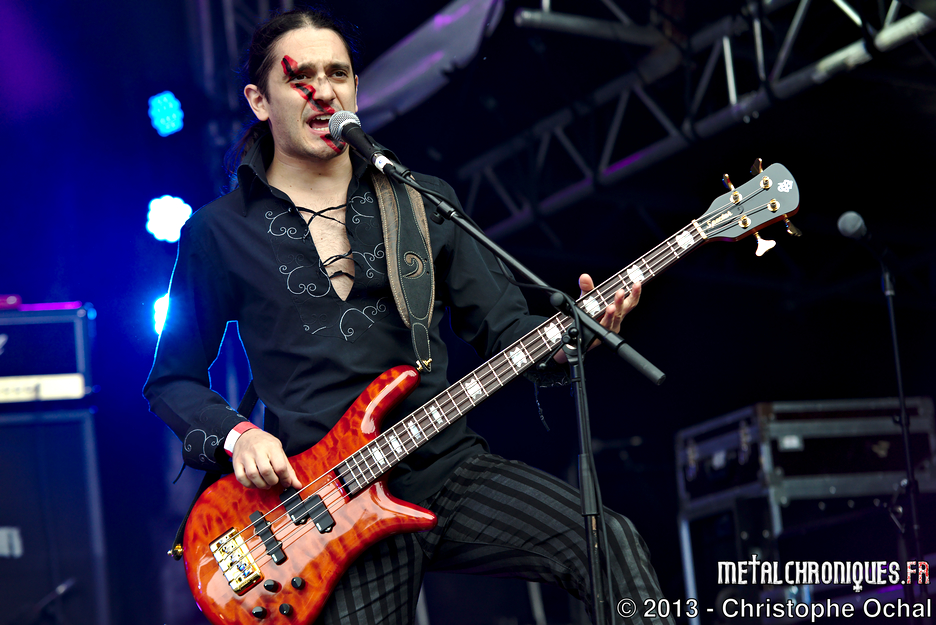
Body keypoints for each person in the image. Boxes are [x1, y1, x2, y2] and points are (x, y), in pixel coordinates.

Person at [144, 7, 672, 625]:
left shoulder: (421, 202)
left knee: (608, 542)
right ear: (259, 101)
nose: (323, 90)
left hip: (445, 468)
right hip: (323, 504)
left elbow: (507, 328)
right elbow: (171, 379)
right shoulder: (217, 231)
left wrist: (575, 336)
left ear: (355, 89)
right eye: (300, 77)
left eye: (338, 73)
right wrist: (241, 436)